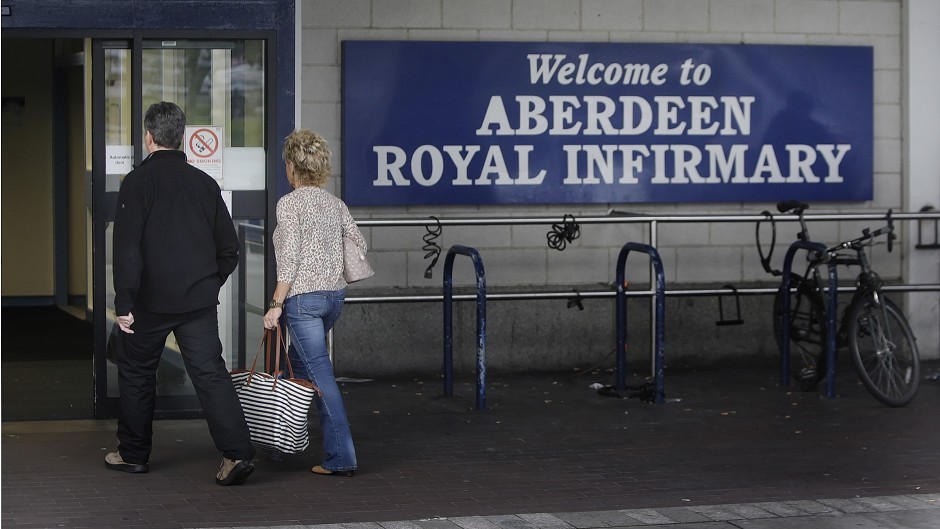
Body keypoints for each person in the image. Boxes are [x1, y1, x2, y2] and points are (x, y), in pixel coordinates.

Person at [108, 101, 256, 486]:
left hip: (148, 305)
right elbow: (230, 249)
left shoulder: (136, 183)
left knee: (138, 374)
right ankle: (237, 454)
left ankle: (133, 455)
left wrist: (124, 301)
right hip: (197, 304)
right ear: (183, 137)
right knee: (211, 376)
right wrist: (209, 284)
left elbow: (127, 249)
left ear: (149, 137)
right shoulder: (205, 184)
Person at [262, 129, 366, 477]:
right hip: (334, 297)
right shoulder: (335, 204)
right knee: (295, 371)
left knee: (320, 378)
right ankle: (279, 444)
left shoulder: (289, 204)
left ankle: (341, 458)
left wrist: (276, 303)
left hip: (303, 302)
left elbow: (289, 259)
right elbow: (358, 243)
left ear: (291, 166)